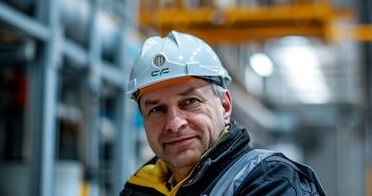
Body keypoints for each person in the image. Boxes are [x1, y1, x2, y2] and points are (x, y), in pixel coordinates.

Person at [120, 30, 326, 196]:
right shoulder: (139, 188)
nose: (174, 123)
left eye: (190, 102)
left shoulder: (272, 181)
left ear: (225, 106)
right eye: (156, 109)